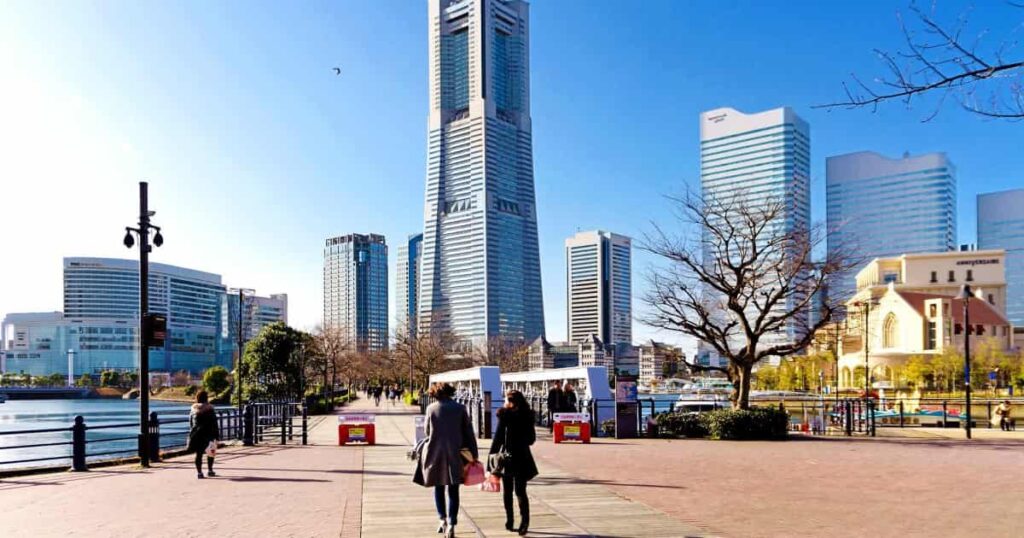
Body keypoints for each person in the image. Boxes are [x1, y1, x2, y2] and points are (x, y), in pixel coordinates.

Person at [414, 382, 478, 538]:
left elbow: (427, 431)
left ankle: (441, 518)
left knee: (438, 486)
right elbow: (468, 432)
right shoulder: (460, 409)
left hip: (435, 452)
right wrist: (473, 454)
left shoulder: (431, 409)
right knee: (454, 489)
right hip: (455, 453)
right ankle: (452, 523)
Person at [489, 390, 538, 535]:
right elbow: (531, 439)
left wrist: (490, 462)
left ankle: (510, 520)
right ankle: (524, 522)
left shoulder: (504, 416)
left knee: (508, 491)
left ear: (510, 402)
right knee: (521, 491)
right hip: (522, 456)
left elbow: (497, 439)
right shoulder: (528, 416)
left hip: (506, 458)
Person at [187, 390, 219, 479]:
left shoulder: (193, 410)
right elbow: (214, 423)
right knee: (210, 453)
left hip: (197, 434)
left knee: (199, 454)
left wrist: (192, 433)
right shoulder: (210, 409)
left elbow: (190, 423)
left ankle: (199, 473)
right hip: (209, 434)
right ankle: (210, 470)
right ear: (206, 398)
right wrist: (217, 436)